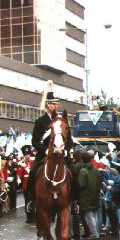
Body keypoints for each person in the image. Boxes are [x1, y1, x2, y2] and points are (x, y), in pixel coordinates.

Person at [27, 81, 73, 211]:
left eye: (56, 103)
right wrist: (45, 149)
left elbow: (69, 140)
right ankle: (31, 200)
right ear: (47, 104)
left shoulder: (62, 120)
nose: (55, 106)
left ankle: (75, 201)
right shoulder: (40, 121)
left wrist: (66, 149)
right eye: (53, 103)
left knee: (74, 171)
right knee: (32, 173)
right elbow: (35, 141)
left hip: (61, 154)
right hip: (44, 154)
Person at [78, 151, 102, 240]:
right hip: (95, 194)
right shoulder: (96, 169)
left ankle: (94, 234)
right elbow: (100, 180)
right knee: (94, 214)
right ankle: (96, 232)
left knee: (89, 215)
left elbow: (82, 184)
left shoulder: (83, 171)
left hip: (86, 196)